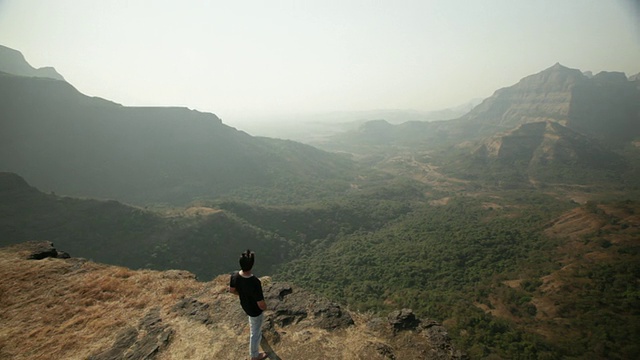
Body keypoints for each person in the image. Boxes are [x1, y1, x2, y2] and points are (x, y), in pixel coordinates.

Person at [229, 249, 268, 360]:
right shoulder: (254, 282)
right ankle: (255, 355)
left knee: (254, 324)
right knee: (255, 333)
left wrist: (242, 294)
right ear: (252, 265)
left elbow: (232, 290)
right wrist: (265, 307)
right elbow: (260, 303)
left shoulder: (234, 276)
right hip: (255, 310)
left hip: (245, 305)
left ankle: (258, 334)